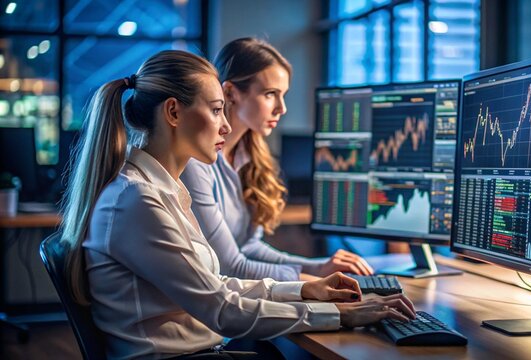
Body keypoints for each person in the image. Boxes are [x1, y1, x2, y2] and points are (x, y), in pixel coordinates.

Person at [60, 50, 415, 359]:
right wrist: (341, 314)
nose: (226, 126)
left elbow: (217, 284)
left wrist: (306, 289)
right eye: (216, 111)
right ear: (173, 112)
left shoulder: (159, 192)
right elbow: (221, 309)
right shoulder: (138, 201)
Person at [181, 38, 374, 282]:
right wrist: (313, 282)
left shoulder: (248, 159)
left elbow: (250, 247)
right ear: (229, 92)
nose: (282, 108)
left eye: (283, 95)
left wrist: (320, 267)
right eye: (270, 94)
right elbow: (228, 265)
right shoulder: (196, 163)